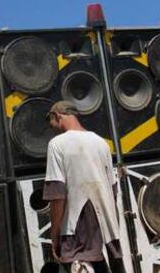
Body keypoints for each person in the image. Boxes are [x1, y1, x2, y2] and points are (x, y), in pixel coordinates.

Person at [43, 100, 123, 273]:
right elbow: (113, 190)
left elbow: (57, 195)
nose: (52, 127)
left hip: (76, 230)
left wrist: (55, 236)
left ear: (57, 115)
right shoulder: (102, 143)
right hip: (106, 228)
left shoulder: (57, 145)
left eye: (51, 122)